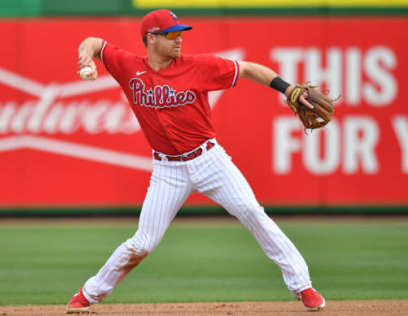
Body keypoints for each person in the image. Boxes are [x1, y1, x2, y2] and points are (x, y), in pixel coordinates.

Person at [67, 9, 325, 313]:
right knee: (144, 242)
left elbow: (248, 69)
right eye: (171, 34)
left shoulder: (199, 66)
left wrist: (288, 89)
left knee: (252, 212)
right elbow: (94, 43)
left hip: (209, 159)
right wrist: (85, 57)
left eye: (180, 33)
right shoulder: (128, 66)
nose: (179, 40)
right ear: (150, 39)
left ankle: (302, 286)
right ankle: (89, 293)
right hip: (167, 169)